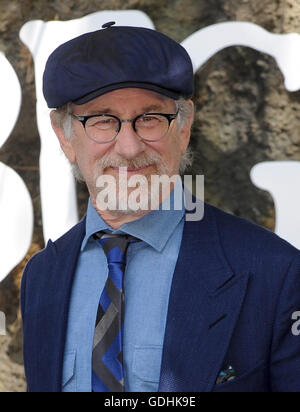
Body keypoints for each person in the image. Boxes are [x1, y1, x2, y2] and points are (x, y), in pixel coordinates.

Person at [21, 22, 300, 393]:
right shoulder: (42, 276)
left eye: (150, 118)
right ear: (65, 136)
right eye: (103, 121)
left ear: (183, 129)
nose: (130, 147)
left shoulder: (275, 272)